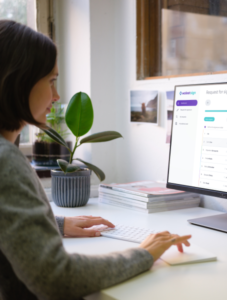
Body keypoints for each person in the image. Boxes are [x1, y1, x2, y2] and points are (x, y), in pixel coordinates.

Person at [0, 20, 191, 300]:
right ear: (20, 81)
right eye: (51, 81)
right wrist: (142, 254)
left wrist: (57, 223)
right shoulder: (6, 160)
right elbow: (56, 277)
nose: (57, 95)